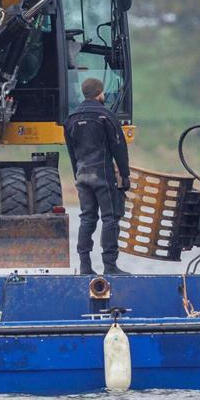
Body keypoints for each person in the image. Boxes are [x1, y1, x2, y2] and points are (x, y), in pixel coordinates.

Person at [64, 77, 131, 276]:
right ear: (100, 93)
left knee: (87, 218)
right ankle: (110, 266)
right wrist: (125, 175)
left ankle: (85, 266)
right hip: (102, 175)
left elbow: (72, 152)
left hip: (82, 176)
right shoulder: (106, 115)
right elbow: (119, 147)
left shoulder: (71, 119)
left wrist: (77, 173)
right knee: (110, 218)